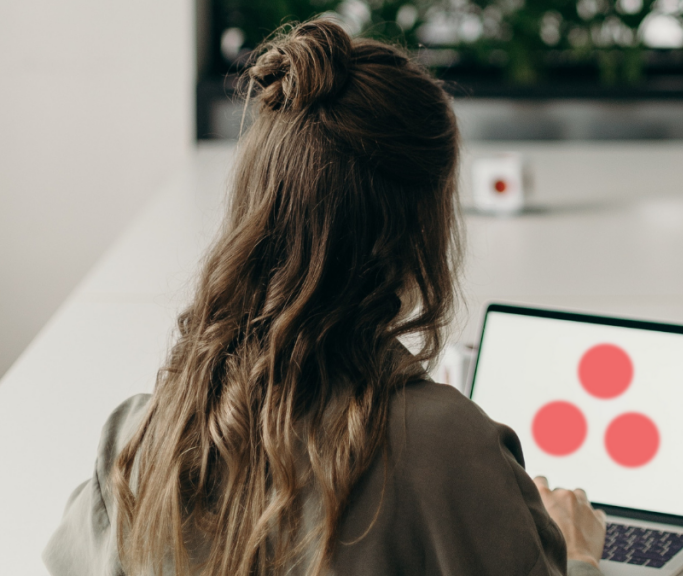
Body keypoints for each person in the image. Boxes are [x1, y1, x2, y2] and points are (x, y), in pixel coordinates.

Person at [43, 17, 608, 576]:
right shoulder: (447, 449)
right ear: (422, 232)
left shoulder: (141, 438)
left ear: (253, 206)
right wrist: (578, 554)